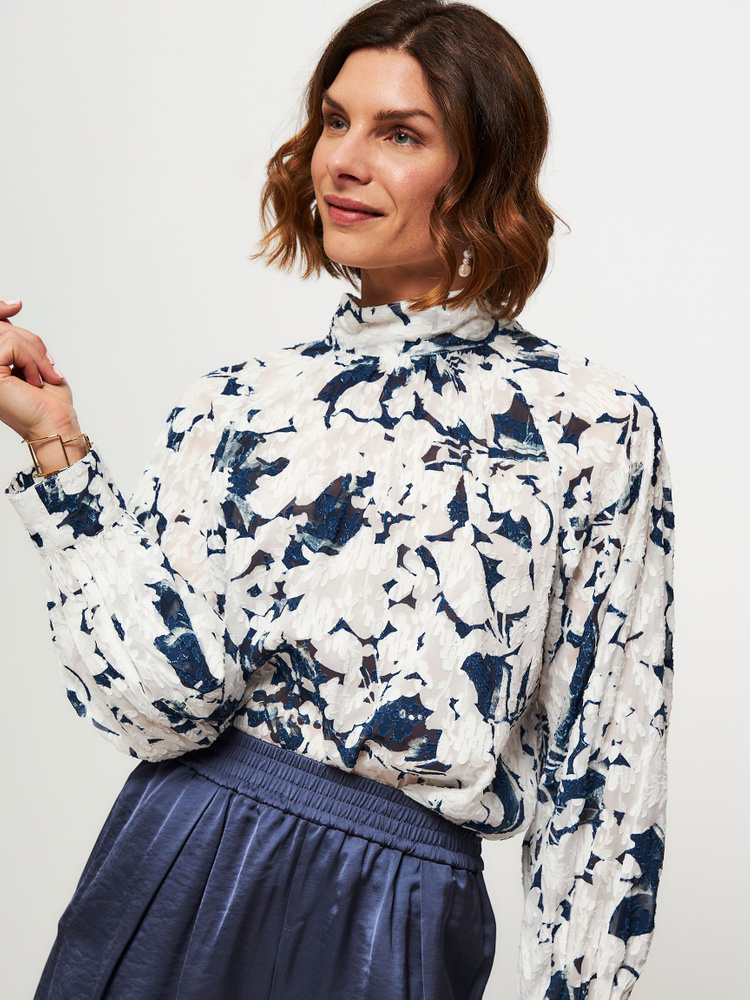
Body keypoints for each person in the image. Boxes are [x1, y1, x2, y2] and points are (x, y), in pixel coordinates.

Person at [0, 1, 675, 997]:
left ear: (484, 168)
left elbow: (606, 766)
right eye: (334, 121)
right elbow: (165, 708)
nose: (344, 161)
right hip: (179, 855)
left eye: (400, 133)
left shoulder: (591, 427)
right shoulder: (237, 403)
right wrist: (56, 445)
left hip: (399, 905)